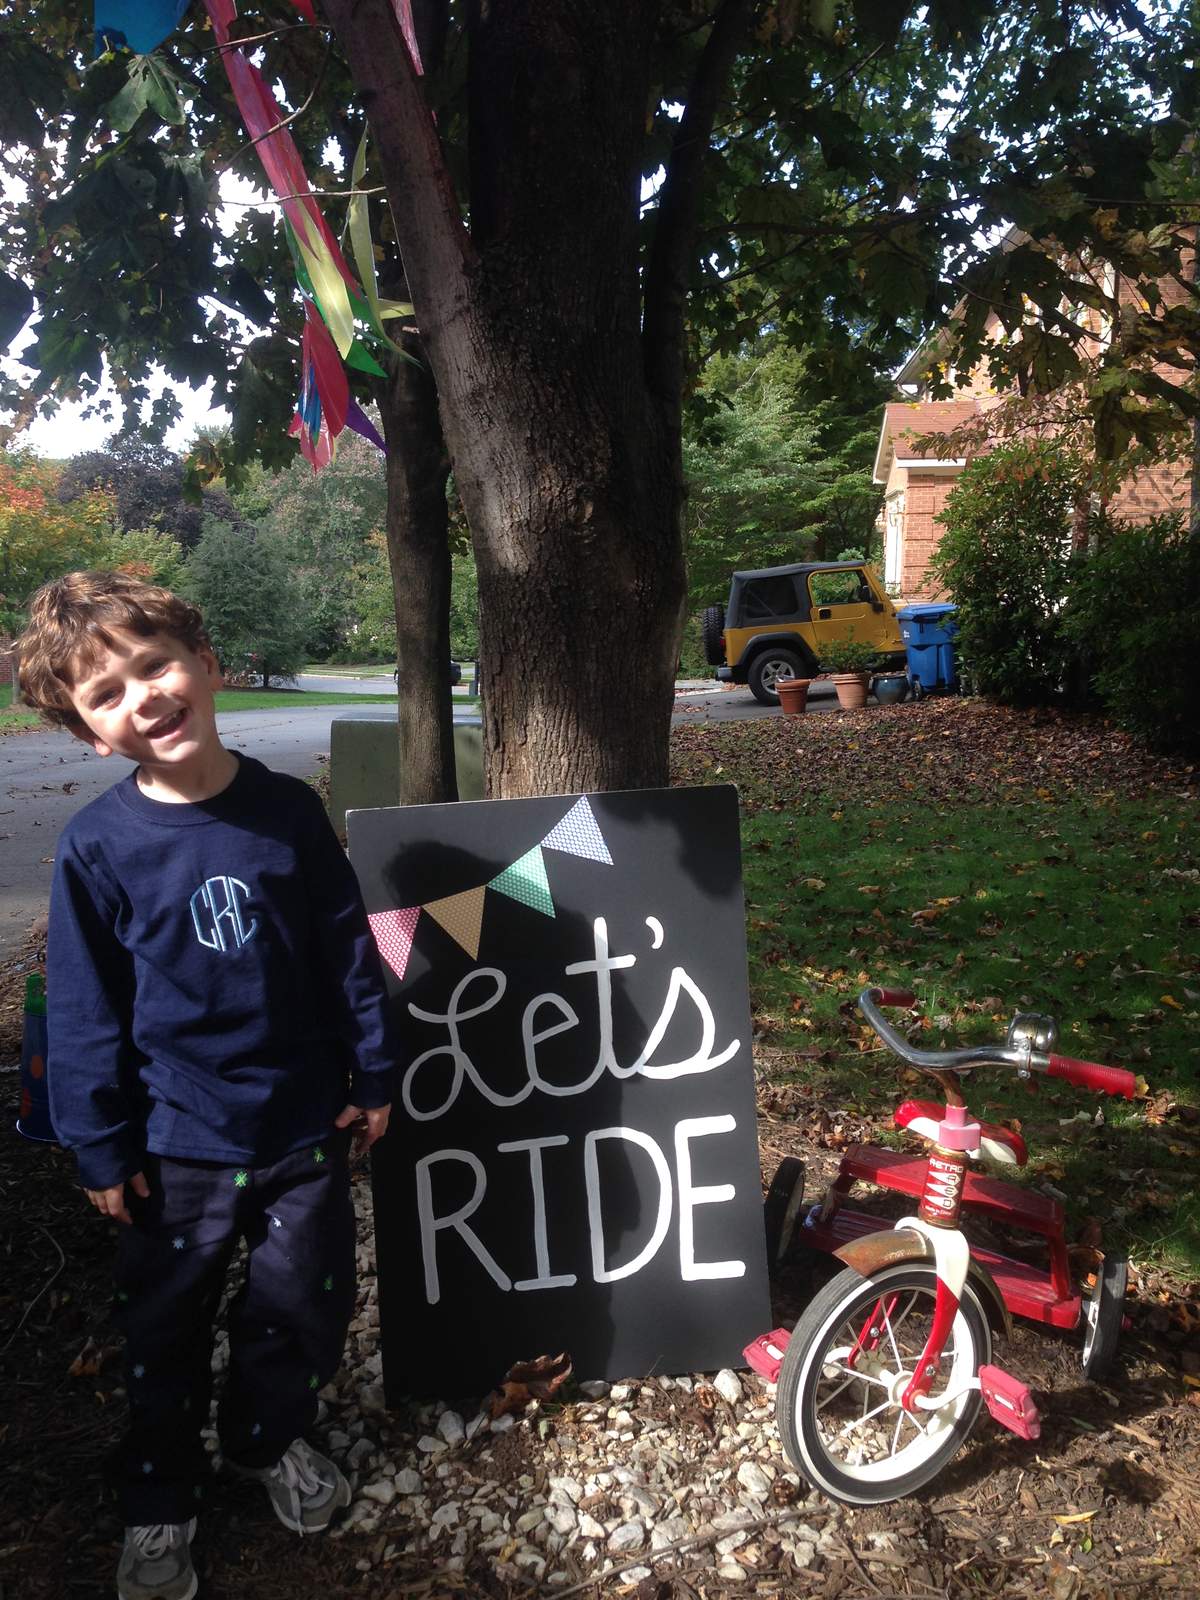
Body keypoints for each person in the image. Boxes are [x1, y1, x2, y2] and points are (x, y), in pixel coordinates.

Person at [17, 572, 396, 1600]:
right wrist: (97, 1141)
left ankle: (268, 1440)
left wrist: (374, 1067)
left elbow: (346, 954)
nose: (142, 695)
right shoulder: (97, 847)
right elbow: (87, 1008)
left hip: (302, 1126)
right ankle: (158, 1497)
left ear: (207, 663)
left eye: (154, 664)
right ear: (92, 732)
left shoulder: (286, 815)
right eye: (107, 693)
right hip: (173, 1144)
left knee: (303, 1307)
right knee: (163, 1327)